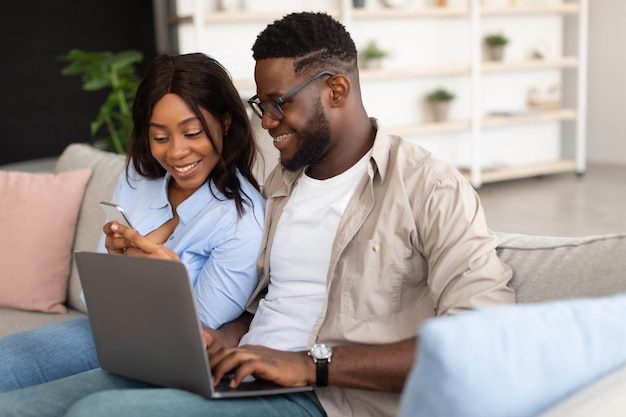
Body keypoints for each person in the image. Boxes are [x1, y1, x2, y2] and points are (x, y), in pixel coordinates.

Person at [0, 12, 515, 417]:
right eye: (259, 104)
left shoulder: (430, 188)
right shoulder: (282, 184)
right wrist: (219, 339)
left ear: (335, 90)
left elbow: (485, 339)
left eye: (277, 104)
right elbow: (269, 302)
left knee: (99, 413)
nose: (266, 122)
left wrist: (308, 365)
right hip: (237, 373)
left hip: (320, 398)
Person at [0, 53, 265, 392]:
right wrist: (116, 262)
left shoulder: (243, 221)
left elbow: (194, 339)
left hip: (160, 356)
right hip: (100, 328)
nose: (176, 153)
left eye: (192, 132)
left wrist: (165, 281)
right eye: (160, 137)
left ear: (226, 121)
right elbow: (89, 295)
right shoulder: (139, 177)